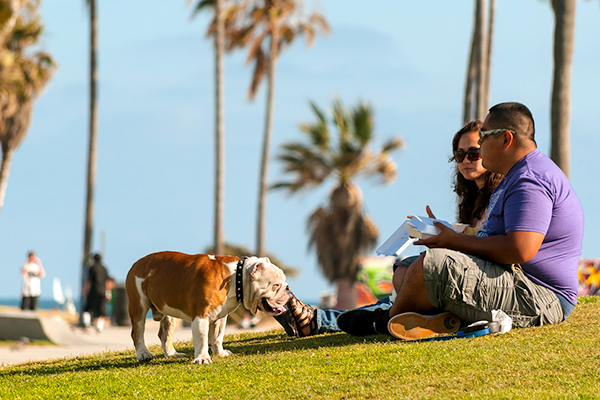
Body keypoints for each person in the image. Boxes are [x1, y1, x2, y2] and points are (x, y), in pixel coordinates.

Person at [336, 102, 584, 340]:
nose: (480, 144)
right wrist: (450, 236)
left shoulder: (529, 180)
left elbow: (520, 249)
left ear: (507, 139)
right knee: (405, 268)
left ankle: (385, 320)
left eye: (484, 137)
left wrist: (455, 242)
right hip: (513, 279)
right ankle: (439, 319)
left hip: (540, 295)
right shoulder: (515, 176)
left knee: (431, 266)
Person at [274, 120, 503, 337]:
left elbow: (493, 242)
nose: (465, 160)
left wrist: (451, 236)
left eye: (473, 153)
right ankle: (320, 319)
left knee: (395, 296)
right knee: (402, 272)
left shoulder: (500, 194)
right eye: (460, 155)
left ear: (490, 151)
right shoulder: (473, 199)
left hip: (481, 281)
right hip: (461, 273)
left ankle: (321, 320)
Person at [83, 253, 111, 332]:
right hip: (102, 291)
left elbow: (88, 281)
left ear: (94, 259)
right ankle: (99, 327)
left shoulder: (92, 268)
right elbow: (108, 282)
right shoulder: (104, 269)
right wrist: (108, 293)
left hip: (93, 290)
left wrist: (85, 291)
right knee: (101, 310)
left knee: (87, 308)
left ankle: (87, 324)